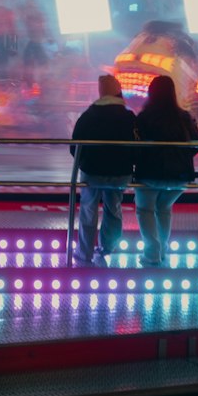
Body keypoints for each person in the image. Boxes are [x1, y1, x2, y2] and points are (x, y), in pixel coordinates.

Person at [69, 73, 138, 263]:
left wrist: (83, 162)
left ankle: (84, 253)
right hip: (120, 173)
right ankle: (107, 248)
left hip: (92, 172)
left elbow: (74, 147)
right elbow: (137, 145)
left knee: (88, 211)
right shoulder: (128, 117)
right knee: (113, 209)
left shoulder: (88, 116)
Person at [133, 74, 198, 267]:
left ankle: (152, 251)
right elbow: (197, 144)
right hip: (179, 176)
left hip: (149, 174)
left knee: (145, 210)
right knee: (164, 209)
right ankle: (162, 249)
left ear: (150, 93)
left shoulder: (144, 118)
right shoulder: (185, 117)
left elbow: (135, 145)